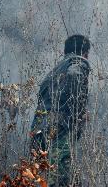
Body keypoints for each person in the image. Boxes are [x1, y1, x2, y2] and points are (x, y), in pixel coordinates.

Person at [31, 35, 91, 187]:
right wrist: (78, 113)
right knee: (60, 180)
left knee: (54, 177)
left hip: (39, 131)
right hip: (58, 129)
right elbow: (74, 75)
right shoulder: (78, 63)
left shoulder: (53, 72)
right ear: (84, 52)